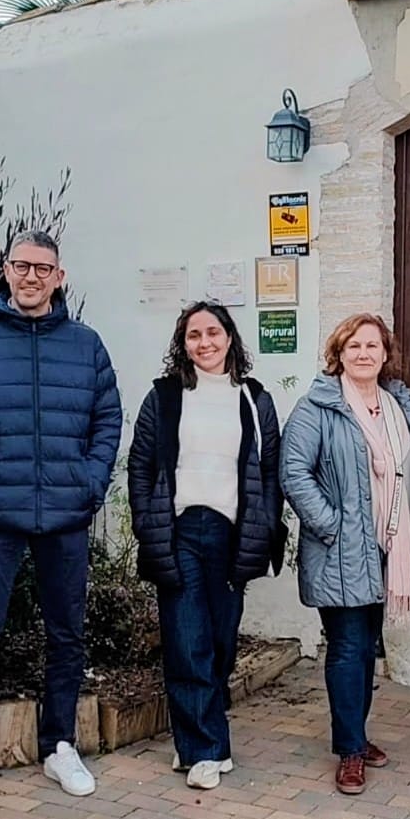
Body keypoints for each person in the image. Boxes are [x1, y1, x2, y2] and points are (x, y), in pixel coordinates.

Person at [0, 234, 121, 814]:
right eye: (22, 265)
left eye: (43, 268)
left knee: (67, 635)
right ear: (6, 270)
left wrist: (89, 483)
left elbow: (107, 418)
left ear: (59, 276)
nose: (32, 276)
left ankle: (59, 745)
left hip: (65, 513)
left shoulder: (85, 344)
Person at [128, 302, 284, 790]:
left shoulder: (254, 400)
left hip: (231, 535)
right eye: (193, 335)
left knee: (220, 643)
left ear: (229, 338)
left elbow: (270, 472)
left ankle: (197, 736)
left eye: (213, 332)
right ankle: (204, 750)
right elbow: (140, 466)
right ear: (183, 344)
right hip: (179, 532)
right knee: (186, 640)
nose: (204, 343)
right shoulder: (164, 397)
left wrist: (264, 528)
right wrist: (148, 525)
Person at [281, 313, 410, 795]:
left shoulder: (400, 406)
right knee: (348, 647)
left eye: (372, 345)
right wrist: (332, 525)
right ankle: (349, 750)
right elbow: (294, 472)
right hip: (341, 552)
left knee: (368, 648)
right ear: (339, 355)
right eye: (354, 346)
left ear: (385, 354)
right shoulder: (317, 407)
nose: (364, 353)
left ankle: (357, 735)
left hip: (390, 548)